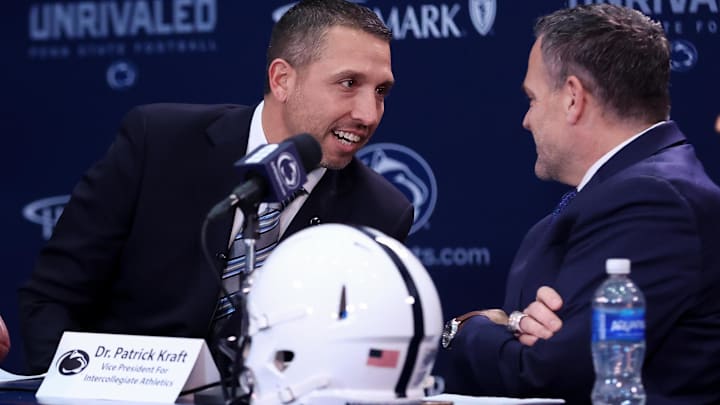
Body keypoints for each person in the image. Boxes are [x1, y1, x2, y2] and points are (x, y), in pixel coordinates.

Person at [19, 0, 413, 374]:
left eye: (381, 91)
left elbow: (355, 362)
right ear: (282, 79)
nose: (368, 114)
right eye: (348, 83)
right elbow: (53, 298)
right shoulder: (158, 142)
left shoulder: (379, 212)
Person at [441, 4, 720, 404]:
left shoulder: (656, 200)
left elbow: (545, 373)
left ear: (573, 98)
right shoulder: (632, 191)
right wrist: (516, 324)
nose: (526, 120)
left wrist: (467, 329)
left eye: (532, 99)